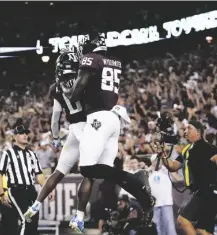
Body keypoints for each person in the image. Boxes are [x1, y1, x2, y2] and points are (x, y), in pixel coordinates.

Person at [61, 32, 154, 233]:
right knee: (103, 169)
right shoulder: (113, 61)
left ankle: (136, 179)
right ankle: (138, 187)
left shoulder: (91, 59)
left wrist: (67, 91)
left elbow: (78, 90)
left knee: (87, 169)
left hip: (98, 118)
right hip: (113, 118)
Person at [24, 50, 88, 220]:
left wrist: (56, 138)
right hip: (88, 127)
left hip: (74, 129)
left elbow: (55, 118)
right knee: (91, 174)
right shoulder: (84, 79)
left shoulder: (56, 88)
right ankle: (79, 216)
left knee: (59, 171)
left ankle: (36, 205)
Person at [160, 120, 217, 235]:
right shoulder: (187, 149)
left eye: (189, 128)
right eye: (184, 129)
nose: (185, 131)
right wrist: (162, 154)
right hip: (201, 192)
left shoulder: (205, 146)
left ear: (198, 132)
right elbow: (173, 166)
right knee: (202, 230)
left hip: (207, 192)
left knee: (182, 220)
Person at [0, 125, 54, 235]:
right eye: (21, 133)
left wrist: (48, 189)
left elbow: (39, 175)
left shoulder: (32, 154)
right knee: (25, 220)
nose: (25, 135)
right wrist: (2, 194)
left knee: (33, 222)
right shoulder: (7, 153)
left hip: (31, 191)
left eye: (26, 133)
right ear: (14, 136)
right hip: (16, 190)